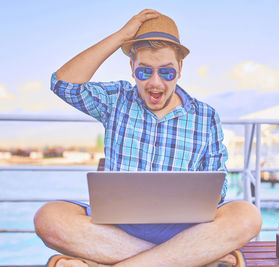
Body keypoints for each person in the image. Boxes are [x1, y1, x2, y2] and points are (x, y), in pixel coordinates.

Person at [34, 9, 262, 267]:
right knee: (49, 218)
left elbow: (218, 187)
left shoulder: (206, 116)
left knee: (247, 216)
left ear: (180, 69)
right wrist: (121, 37)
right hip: (115, 228)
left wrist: (197, 199)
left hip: (184, 230)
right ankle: (190, 259)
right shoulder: (116, 99)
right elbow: (62, 83)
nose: (155, 83)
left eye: (166, 72)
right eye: (144, 72)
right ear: (132, 68)